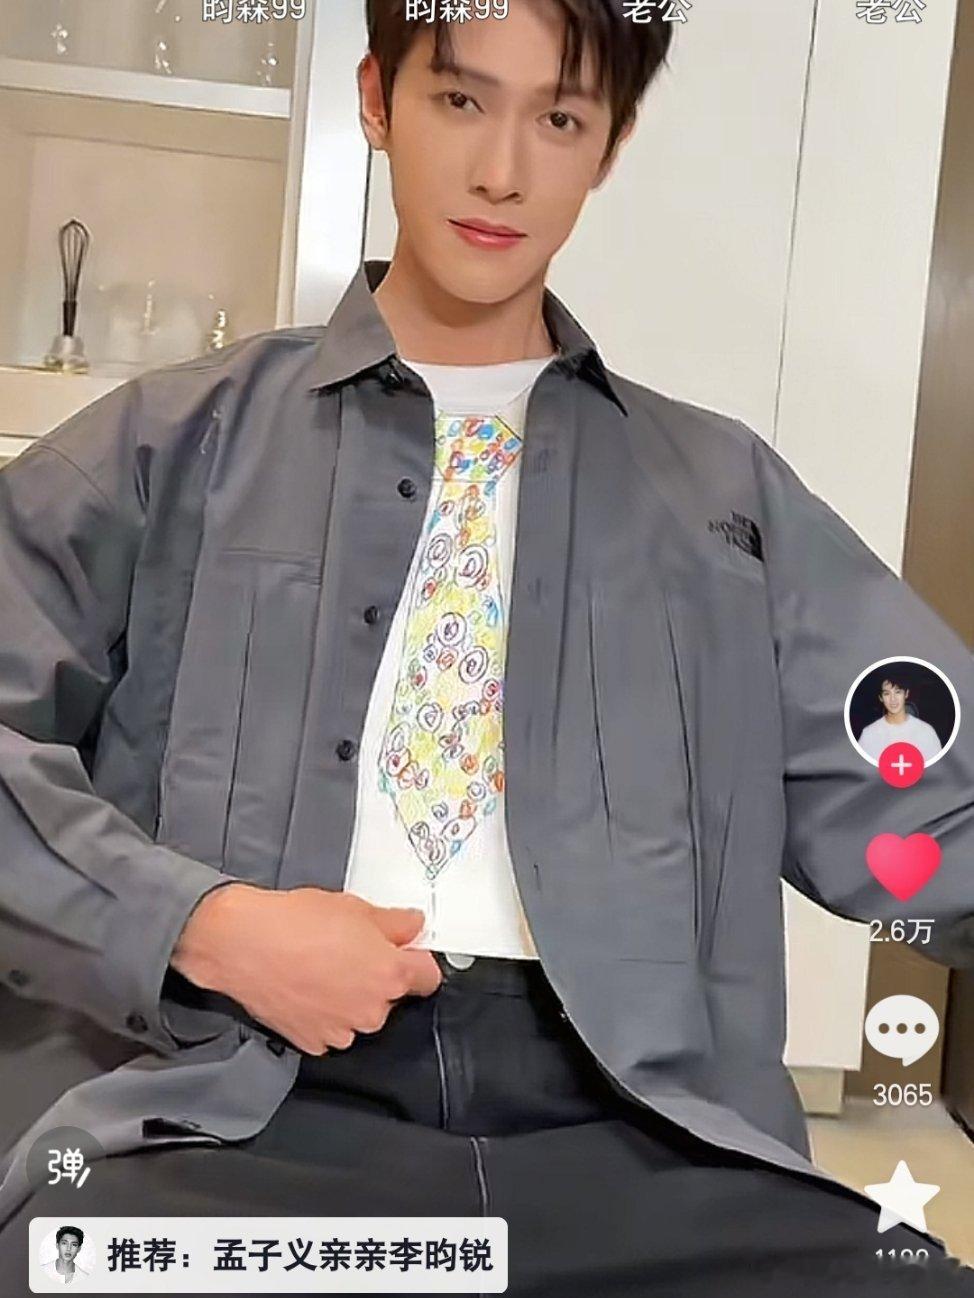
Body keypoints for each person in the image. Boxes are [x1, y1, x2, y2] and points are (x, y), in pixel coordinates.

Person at [1, 3, 974, 1296]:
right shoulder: (174, 447)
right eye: (458, 100)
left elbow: (931, 802)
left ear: (608, 144)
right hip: (245, 1105)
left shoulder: (721, 500)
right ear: (376, 98)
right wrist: (201, 925)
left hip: (646, 1130)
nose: (502, 171)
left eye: (558, 118)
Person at [858, 675, 944, 762]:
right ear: (881, 698)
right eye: (887, 694)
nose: (893, 699)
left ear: (906, 694)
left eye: (898, 692)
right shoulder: (869, 734)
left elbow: (937, 767)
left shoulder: (926, 731)